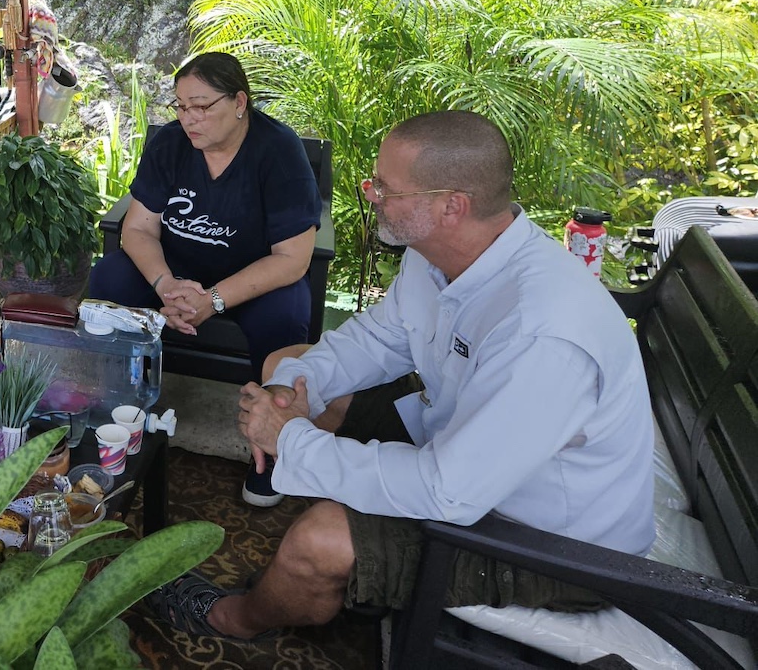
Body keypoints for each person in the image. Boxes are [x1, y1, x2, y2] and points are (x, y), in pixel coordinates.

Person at [145, 110, 655, 642]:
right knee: (292, 374)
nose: (371, 195)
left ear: (451, 206)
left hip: (549, 544)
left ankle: (241, 618)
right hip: (465, 449)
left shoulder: (542, 333)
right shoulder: (437, 255)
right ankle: (355, 571)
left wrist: (290, 440)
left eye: (385, 188)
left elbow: (449, 492)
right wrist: (291, 392)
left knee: (318, 541)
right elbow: (377, 339)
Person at [87, 51, 319, 507]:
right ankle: (118, 413)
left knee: (288, 312)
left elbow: (293, 258)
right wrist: (166, 287)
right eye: (180, 106)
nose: (189, 119)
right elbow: (136, 228)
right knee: (110, 277)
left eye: (201, 106)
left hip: (249, 279)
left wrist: (212, 300)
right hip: (175, 272)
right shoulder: (171, 145)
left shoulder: (278, 151)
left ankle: (271, 451)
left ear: (239, 102)